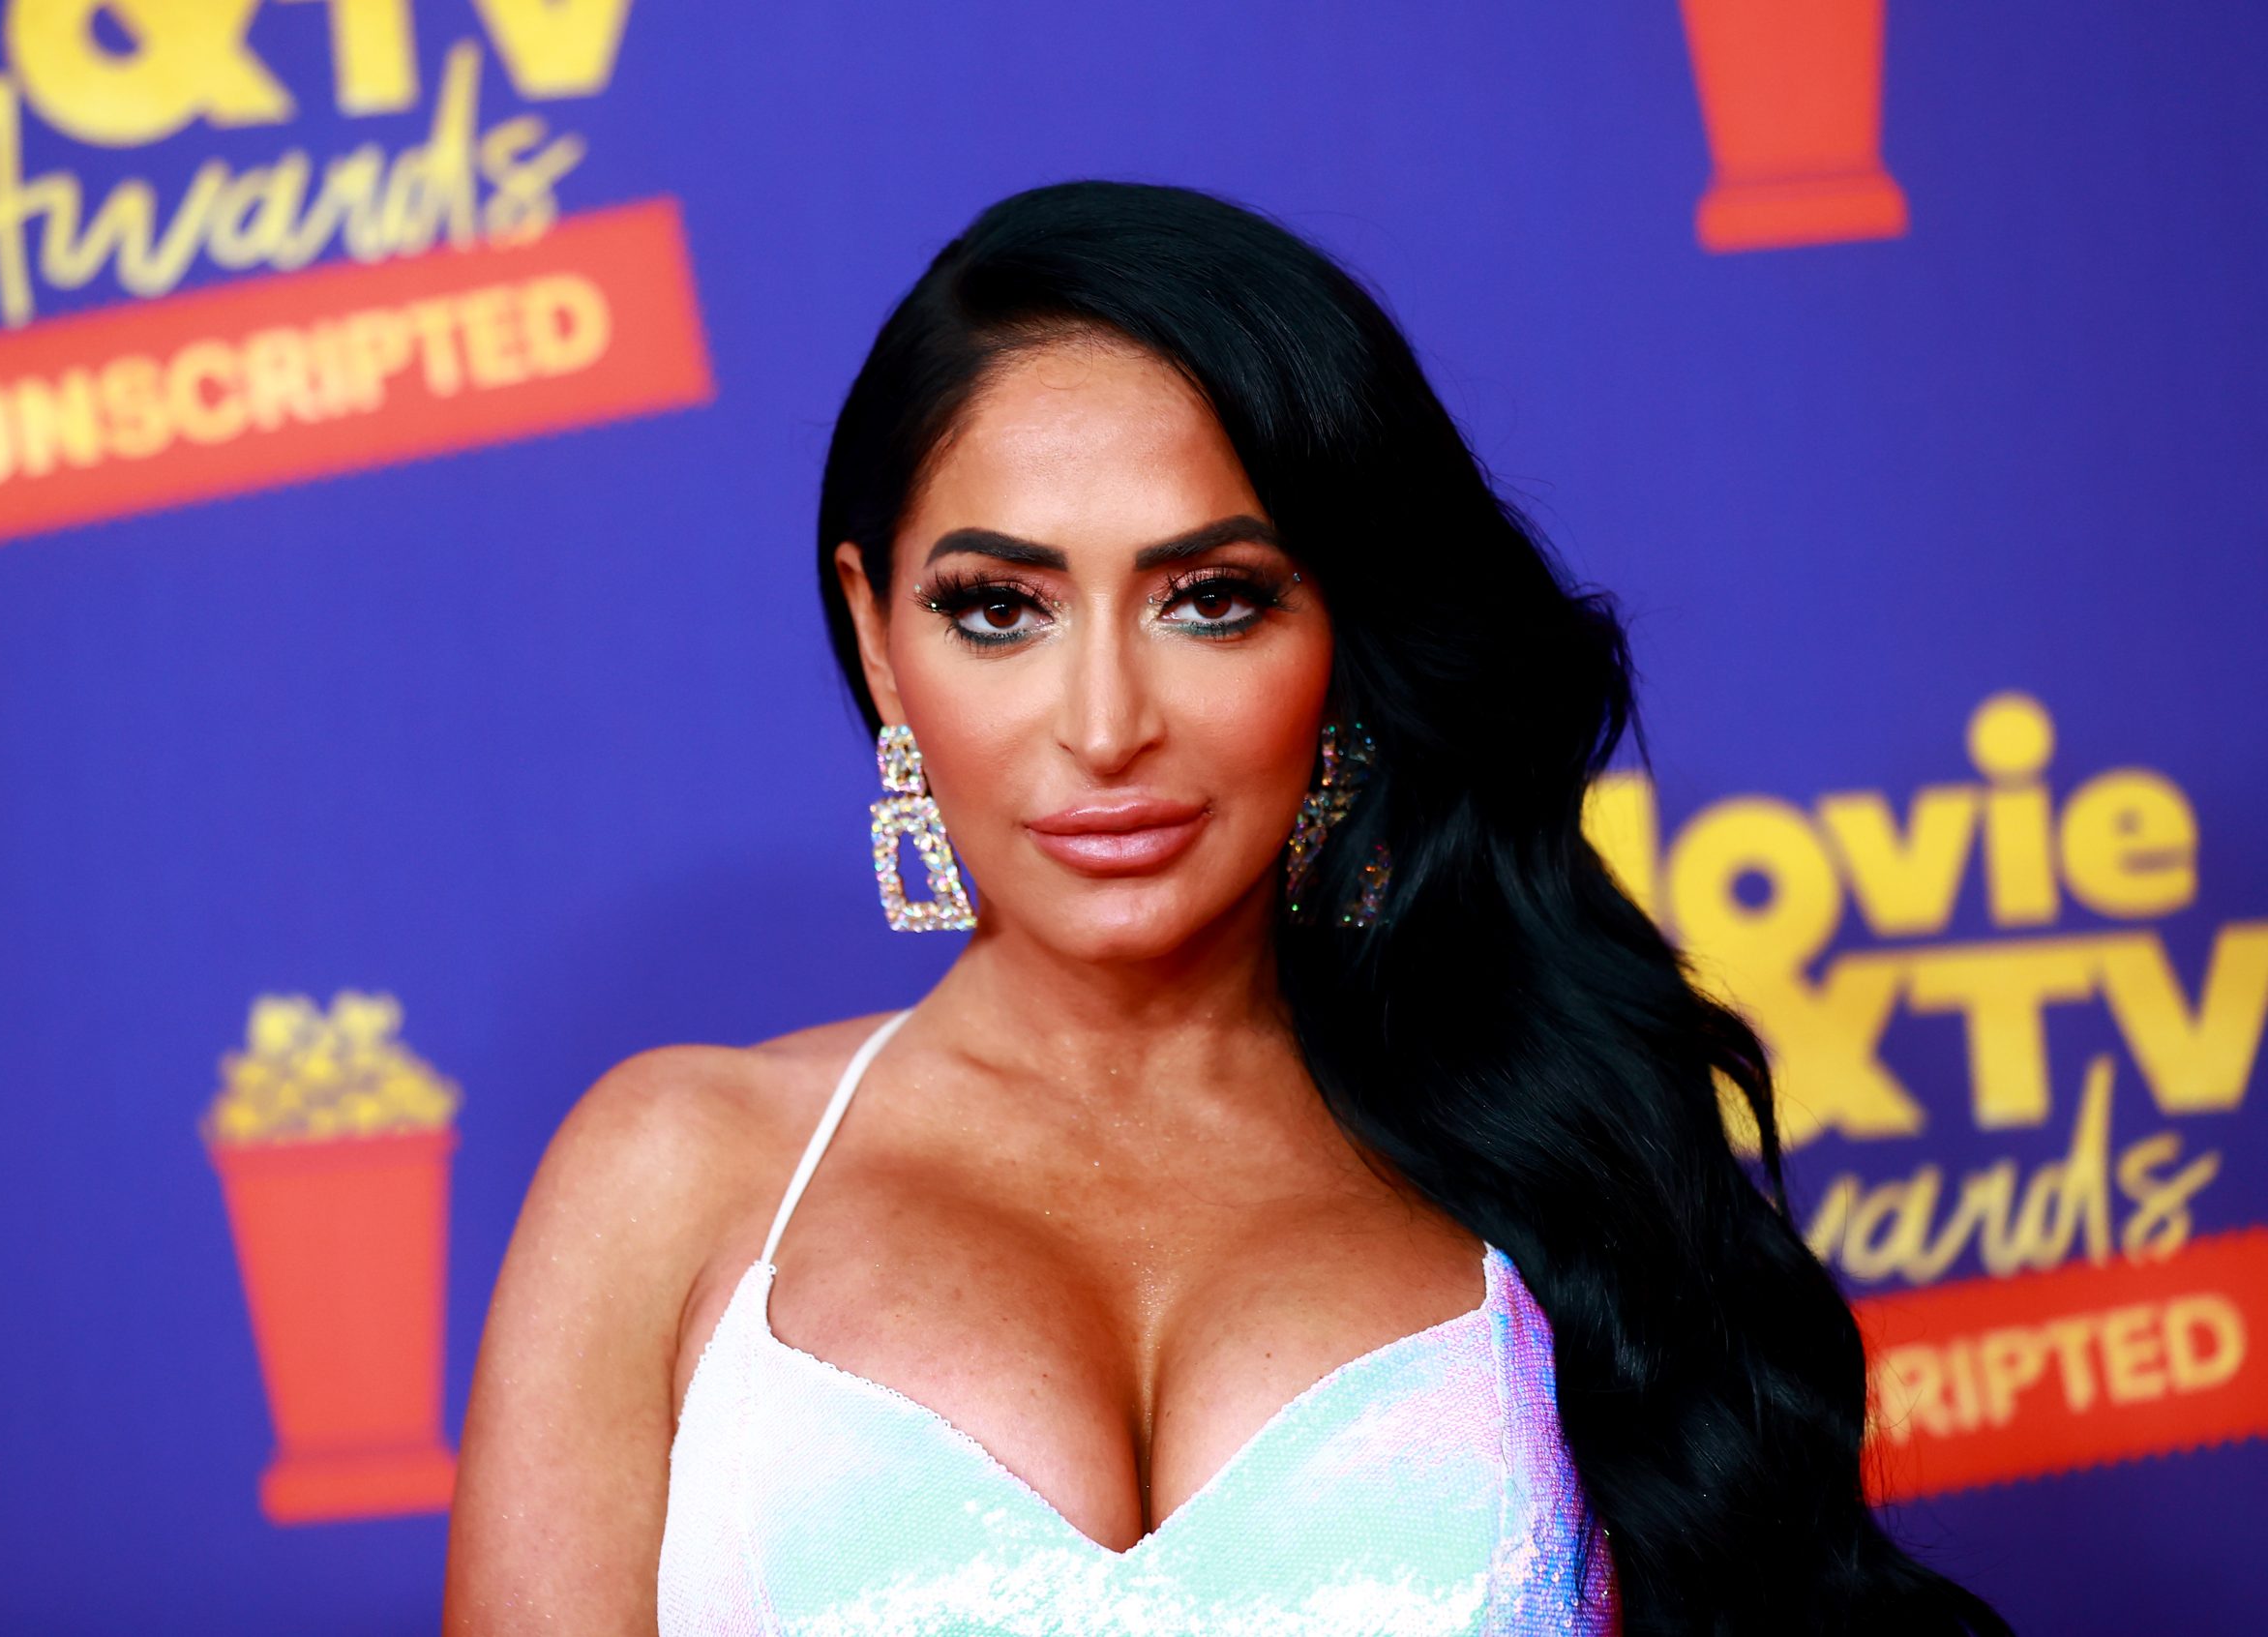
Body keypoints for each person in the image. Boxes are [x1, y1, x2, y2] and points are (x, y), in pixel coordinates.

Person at [442, 179, 2011, 1636]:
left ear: (1347, 635)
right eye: (1001, 609)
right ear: (877, 639)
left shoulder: (1552, 1150)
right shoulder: (674, 1177)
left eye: (1213, 599)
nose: (1106, 725)